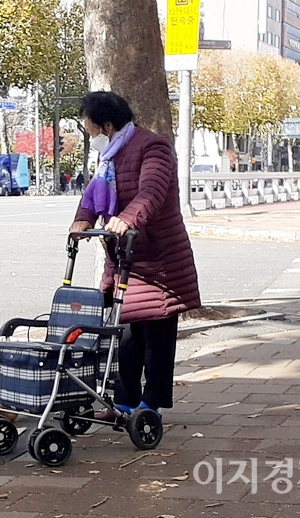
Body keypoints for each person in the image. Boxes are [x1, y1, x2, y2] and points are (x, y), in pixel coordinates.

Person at [69, 91, 201, 420]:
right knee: (124, 335)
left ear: (108, 125)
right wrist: (82, 218)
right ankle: (124, 403)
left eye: (92, 130)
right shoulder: (109, 155)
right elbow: (94, 193)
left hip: (159, 259)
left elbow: (152, 191)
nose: (91, 137)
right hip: (125, 259)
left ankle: (151, 405)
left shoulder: (151, 146)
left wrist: (127, 218)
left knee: (156, 335)